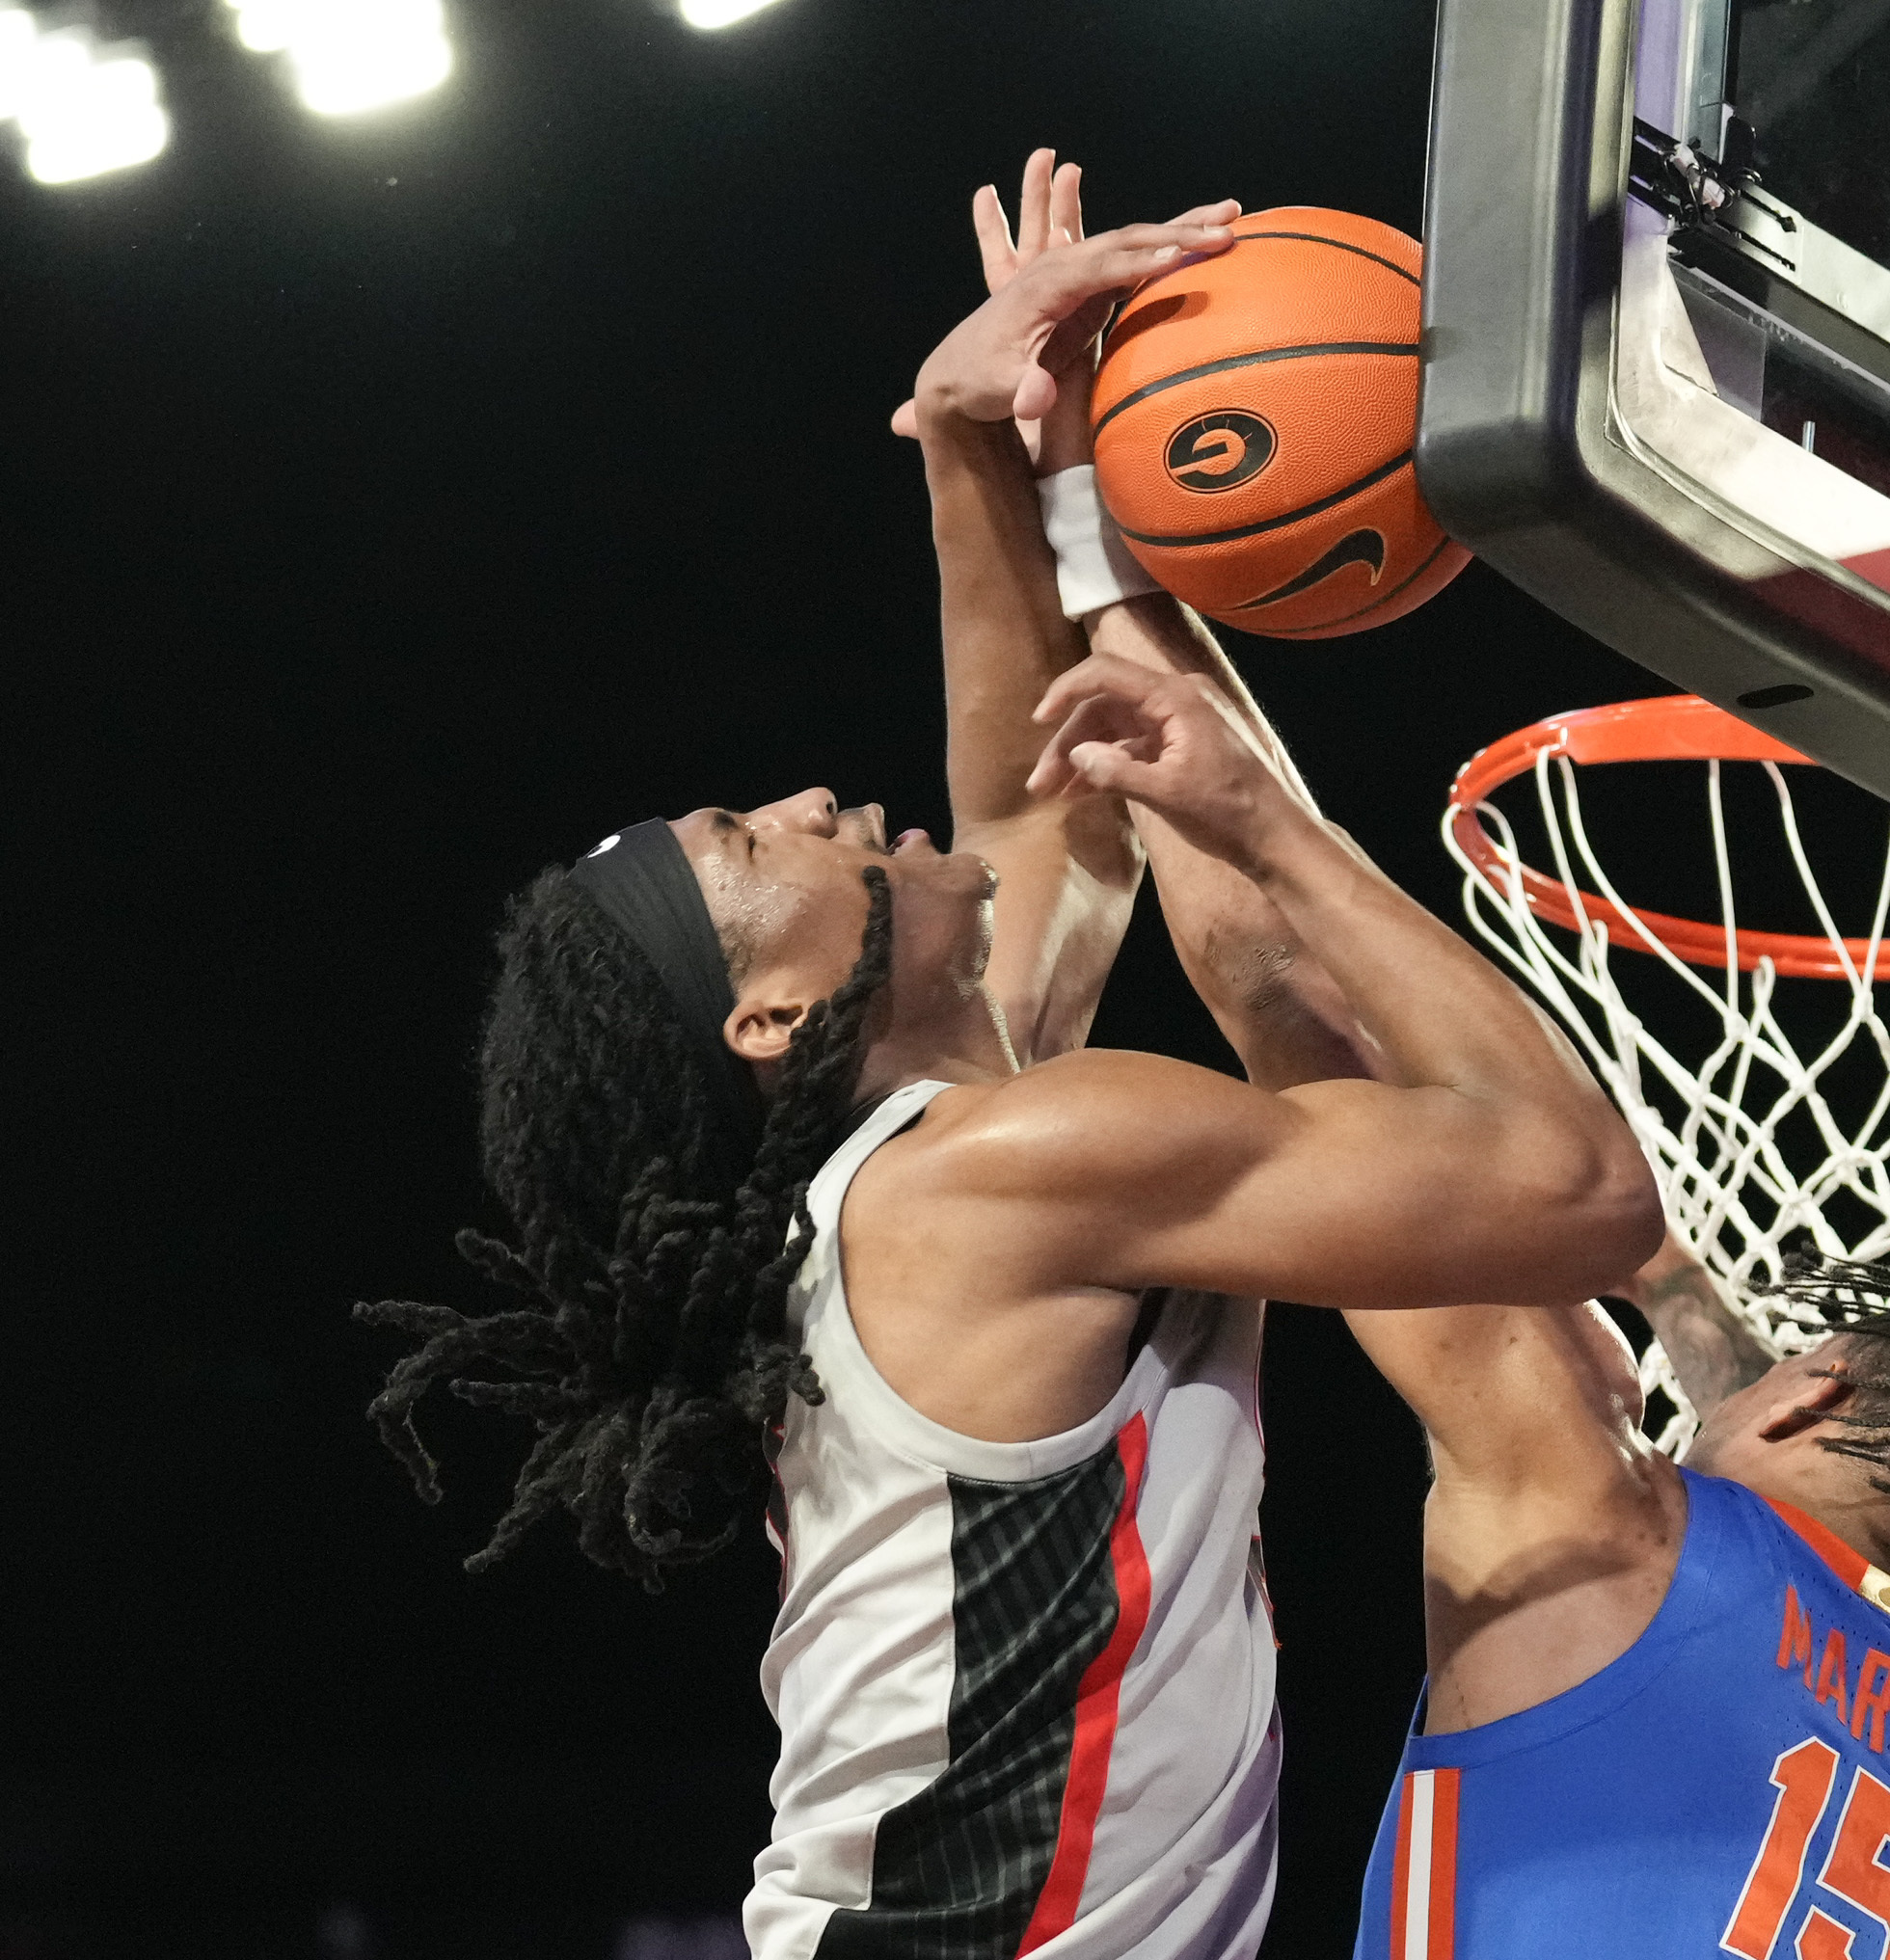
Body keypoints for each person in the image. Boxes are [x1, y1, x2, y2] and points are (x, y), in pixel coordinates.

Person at [357, 153, 1660, 1960]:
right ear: (768, 1020)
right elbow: (1581, 1190)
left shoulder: (949, 1163)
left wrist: (997, 443)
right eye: (755, 839)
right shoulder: (997, 1177)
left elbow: (1024, 815)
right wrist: (1274, 837)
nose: (812, 795)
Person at [1080, 614, 1890, 1959]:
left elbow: (1293, 1011)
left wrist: (1222, 760)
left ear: (1824, 1390)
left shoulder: (1601, 1512)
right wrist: (1677, 1284)